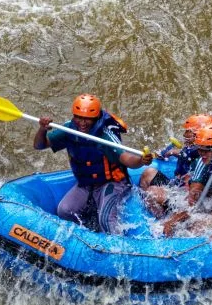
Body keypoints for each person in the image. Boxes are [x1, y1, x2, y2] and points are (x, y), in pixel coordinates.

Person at [34, 94, 153, 232]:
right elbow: (39, 145)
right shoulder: (69, 129)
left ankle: (114, 246)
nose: (83, 123)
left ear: (96, 118)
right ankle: (89, 233)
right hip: (86, 184)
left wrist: (141, 160)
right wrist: (42, 129)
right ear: (74, 116)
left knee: (106, 219)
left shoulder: (105, 135)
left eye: (88, 119)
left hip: (112, 183)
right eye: (79, 117)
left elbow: (126, 159)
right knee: (64, 211)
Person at [138, 113, 212, 217]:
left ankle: (163, 219)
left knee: (151, 192)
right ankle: (152, 210)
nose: (184, 135)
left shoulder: (204, 158)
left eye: (188, 132)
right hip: (177, 187)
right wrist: (172, 152)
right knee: (148, 172)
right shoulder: (194, 150)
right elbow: (186, 155)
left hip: (186, 197)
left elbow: (193, 193)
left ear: (198, 135)